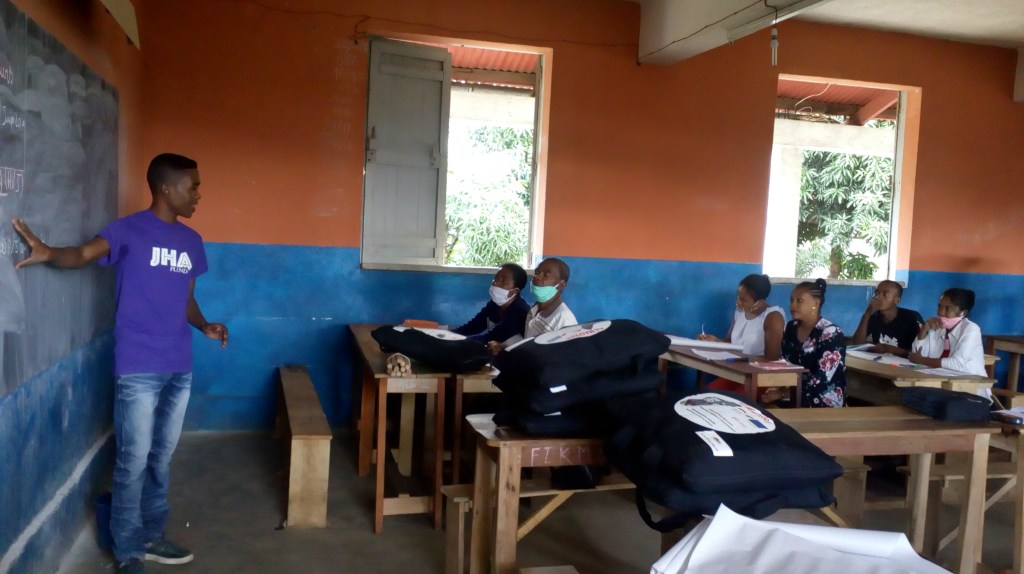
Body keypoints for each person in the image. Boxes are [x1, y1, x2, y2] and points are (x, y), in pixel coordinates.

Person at [12, 153, 228, 574]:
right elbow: (82, 254)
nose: (198, 195)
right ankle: (128, 548)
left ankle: (151, 534)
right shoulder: (127, 231)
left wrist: (204, 324)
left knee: (160, 458)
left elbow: (185, 299)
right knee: (134, 459)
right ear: (166, 188)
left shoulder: (191, 242)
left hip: (178, 366)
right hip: (138, 366)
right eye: (193, 187)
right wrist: (48, 251)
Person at [776, 279, 846, 408]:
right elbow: (784, 363)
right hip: (793, 394)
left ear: (816, 303)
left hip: (821, 398)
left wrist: (782, 393)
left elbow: (821, 379)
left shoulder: (830, 333)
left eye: (799, 301)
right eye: (791, 300)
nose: (793, 305)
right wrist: (776, 388)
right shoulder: (791, 327)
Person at [697, 273, 785, 359]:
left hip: (754, 368)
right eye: (738, 297)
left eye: (743, 300)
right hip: (736, 365)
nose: (738, 302)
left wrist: (743, 360)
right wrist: (714, 341)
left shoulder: (773, 317)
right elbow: (730, 342)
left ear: (759, 302)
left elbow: (772, 358)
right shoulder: (740, 312)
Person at [909, 288, 986, 376]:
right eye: (939, 306)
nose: (940, 312)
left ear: (963, 313)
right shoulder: (937, 326)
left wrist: (921, 360)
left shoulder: (971, 329)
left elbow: (956, 364)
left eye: (947, 308)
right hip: (940, 377)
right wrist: (924, 329)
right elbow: (916, 354)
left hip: (969, 381)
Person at [452, 263, 529, 347]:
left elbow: (492, 337)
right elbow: (474, 326)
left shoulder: (520, 312)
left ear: (515, 291)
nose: (496, 283)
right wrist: (448, 334)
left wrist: (459, 341)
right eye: (496, 278)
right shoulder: (494, 305)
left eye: (503, 280)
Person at [851, 280, 923, 357]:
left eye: (885, 294)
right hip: (878, 361)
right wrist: (867, 314)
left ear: (897, 300)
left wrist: (890, 349)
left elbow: (919, 353)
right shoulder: (874, 316)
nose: (878, 297)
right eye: (877, 293)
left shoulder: (910, 319)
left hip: (902, 363)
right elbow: (857, 344)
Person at [523, 257, 577, 338]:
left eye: (546, 275)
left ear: (561, 284)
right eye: (536, 272)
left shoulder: (564, 321)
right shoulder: (534, 309)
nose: (537, 277)